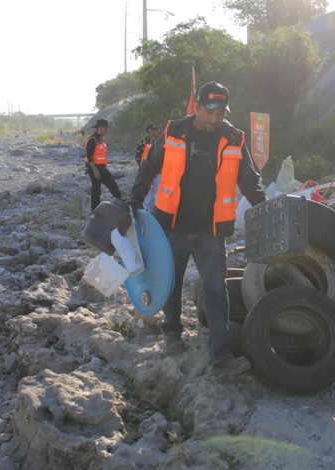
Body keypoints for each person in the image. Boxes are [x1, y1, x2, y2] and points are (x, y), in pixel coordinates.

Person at [129, 82, 266, 376]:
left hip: (211, 229)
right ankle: (172, 333)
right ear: (197, 106)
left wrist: (262, 203)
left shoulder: (233, 137)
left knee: (216, 289)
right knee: (172, 282)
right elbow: (149, 166)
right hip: (173, 224)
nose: (215, 118)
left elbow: (249, 178)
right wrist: (136, 198)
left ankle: (222, 355)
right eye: (210, 111)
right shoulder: (175, 131)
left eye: (221, 112)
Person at [85, 119, 122, 211]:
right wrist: (95, 170)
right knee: (96, 190)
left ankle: (120, 206)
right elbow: (89, 157)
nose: (107, 130)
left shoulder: (100, 138)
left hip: (102, 169)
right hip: (95, 169)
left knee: (113, 186)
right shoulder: (92, 139)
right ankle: (95, 210)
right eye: (105, 128)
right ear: (100, 128)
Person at [135, 124, 162, 212]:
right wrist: (142, 168)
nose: (158, 132)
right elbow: (138, 157)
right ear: (150, 131)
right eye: (155, 130)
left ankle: (152, 209)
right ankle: (145, 209)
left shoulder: (159, 142)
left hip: (157, 171)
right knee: (146, 190)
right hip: (147, 171)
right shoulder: (143, 142)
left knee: (156, 190)